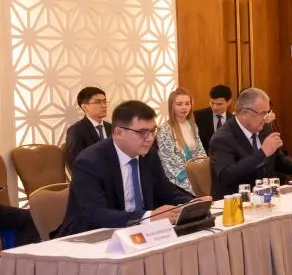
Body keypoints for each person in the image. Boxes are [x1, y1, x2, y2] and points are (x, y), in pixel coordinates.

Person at [57, 101, 197, 236]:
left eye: (153, 131)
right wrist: (148, 217)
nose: (150, 138)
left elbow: (166, 190)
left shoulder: (149, 154)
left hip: (142, 233)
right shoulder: (90, 161)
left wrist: (192, 203)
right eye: (142, 132)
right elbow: (96, 214)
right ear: (118, 133)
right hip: (92, 236)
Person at [210, 87, 292, 199]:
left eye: (267, 112)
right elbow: (226, 176)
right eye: (263, 113)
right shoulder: (222, 139)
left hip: (268, 197)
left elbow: (277, 158)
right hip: (237, 202)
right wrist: (262, 153)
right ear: (244, 114)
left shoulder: (264, 129)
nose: (266, 118)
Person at [157, 88, 207, 193]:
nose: (184, 107)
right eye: (179, 104)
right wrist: (192, 182)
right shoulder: (165, 129)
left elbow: (200, 151)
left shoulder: (192, 125)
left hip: (196, 174)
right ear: (172, 106)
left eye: (187, 103)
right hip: (177, 180)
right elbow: (170, 160)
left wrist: (201, 173)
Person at [65, 86, 112, 169]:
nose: (104, 105)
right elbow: (76, 162)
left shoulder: (111, 127)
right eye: (98, 102)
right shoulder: (76, 130)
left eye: (104, 101)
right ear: (84, 107)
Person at [193, 85, 233, 150]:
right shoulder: (197, 116)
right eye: (212, 103)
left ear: (229, 102)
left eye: (219, 104)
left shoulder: (233, 120)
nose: (215, 107)